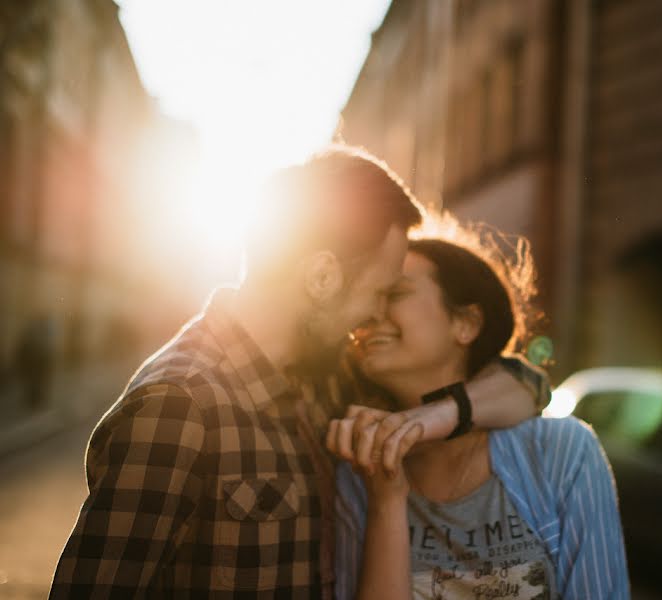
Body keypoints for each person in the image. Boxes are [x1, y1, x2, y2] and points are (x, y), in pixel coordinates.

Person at [49, 145, 548, 598]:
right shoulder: (179, 404)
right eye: (379, 292)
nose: (376, 317)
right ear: (322, 276)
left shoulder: (326, 377)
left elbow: (527, 384)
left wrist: (442, 415)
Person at [329, 232, 630, 599]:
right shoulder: (359, 469)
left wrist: (439, 414)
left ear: (466, 323)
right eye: (371, 295)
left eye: (394, 293)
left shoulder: (560, 452)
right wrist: (386, 501)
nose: (370, 313)